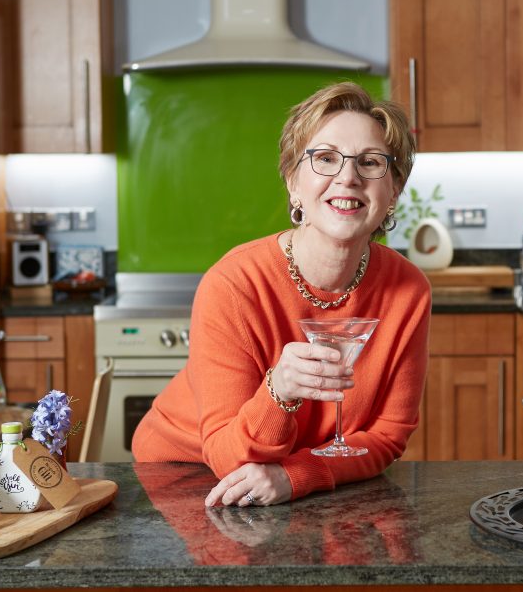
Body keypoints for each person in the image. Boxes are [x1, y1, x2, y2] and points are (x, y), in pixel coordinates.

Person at [132, 81, 431, 507]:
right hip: (184, 477)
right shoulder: (234, 284)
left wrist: (299, 474)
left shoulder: (409, 290)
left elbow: (388, 435)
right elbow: (225, 454)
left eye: (370, 162)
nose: (347, 177)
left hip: (294, 480)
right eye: (325, 159)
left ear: (393, 193)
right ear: (293, 182)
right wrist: (281, 390)